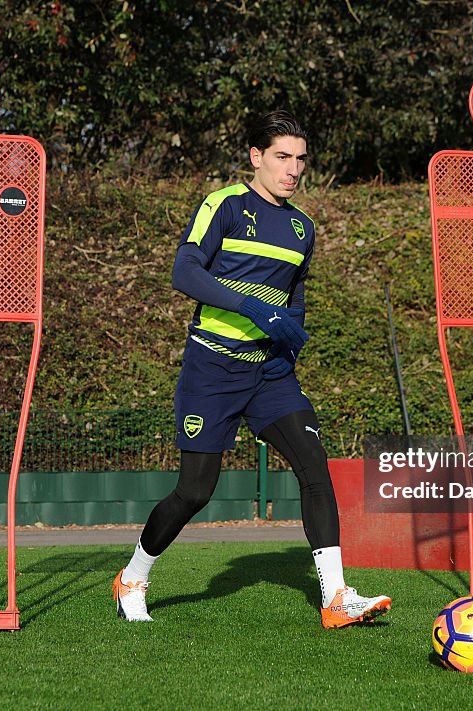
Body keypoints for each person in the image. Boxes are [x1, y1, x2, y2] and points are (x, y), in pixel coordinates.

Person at [112, 110, 391, 629]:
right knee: (195, 491)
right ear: (255, 157)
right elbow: (184, 271)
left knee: (314, 463)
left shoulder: (302, 227)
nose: (293, 169)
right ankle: (133, 577)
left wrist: (291, 345)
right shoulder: (224, 205)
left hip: (270, 374)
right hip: (211, 370)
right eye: (282, 157)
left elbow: (295, 295)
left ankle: (336, 597)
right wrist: (251, 307)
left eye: (300, 159)